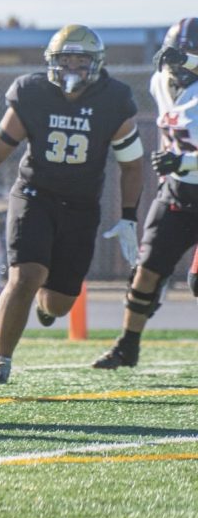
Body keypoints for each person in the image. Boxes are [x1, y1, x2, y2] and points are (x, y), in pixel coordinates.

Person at [0, 24, 143, 385]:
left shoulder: (114, 99)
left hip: (81, 206)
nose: (72, 66)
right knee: (24, 276)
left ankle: (44, 304)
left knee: (58, 305)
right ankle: (1, 360)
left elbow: (132, 164)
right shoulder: (32, 92)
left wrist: (129, 218)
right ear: (51, 62)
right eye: (65, 58)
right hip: (34, 195)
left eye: (80, 59)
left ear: (97, 63)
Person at [93, 19, 197, 369]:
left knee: (196, 283)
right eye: (177, 54)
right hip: (176, 195)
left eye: (190, 54)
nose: (180, 63)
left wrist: (184, 161)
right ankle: (127, 345)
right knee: (146, 271)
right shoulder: (159, 82)